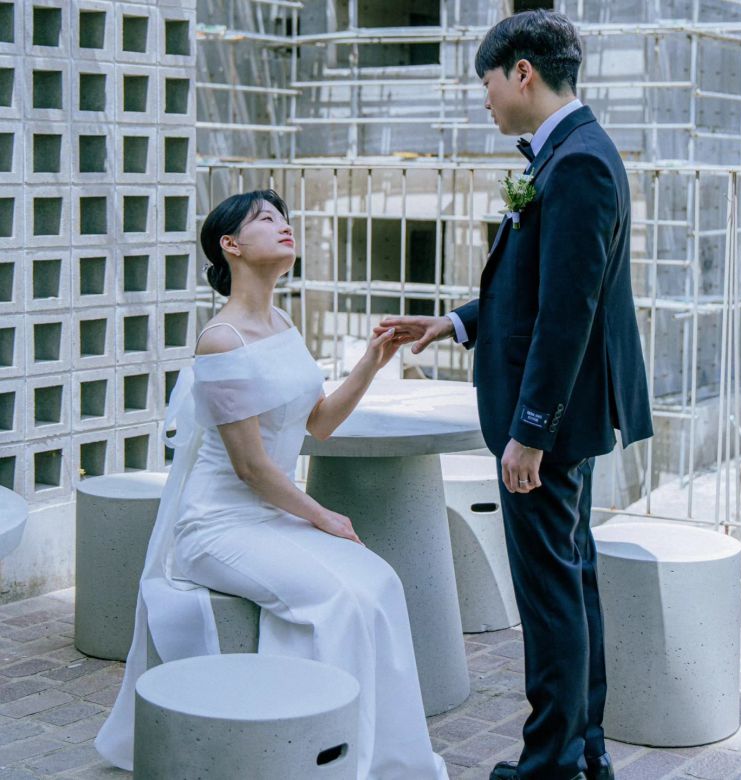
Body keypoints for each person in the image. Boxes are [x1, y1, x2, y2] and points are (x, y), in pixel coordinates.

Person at [377, 10, 653, 780]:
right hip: (564, 416)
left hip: (551, 424)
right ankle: (583, 750)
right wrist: (455, 323)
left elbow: (570, 314)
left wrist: (530, 431)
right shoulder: (568, 152)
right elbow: (538, 289)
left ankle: (551, 763)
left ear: (521, 72)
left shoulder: (578, 164)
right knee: (569, 579)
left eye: (488, 84)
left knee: (550, 595)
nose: (486, 101)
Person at [95, 189, 448, 780]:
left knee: (380, 582)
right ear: (230, 245)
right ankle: (319, 761)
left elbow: (319, 423)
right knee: (336, 599)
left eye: (285, 217)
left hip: (270, 516)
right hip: (217, 526)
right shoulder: (221, 340)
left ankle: (387, 758)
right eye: (265, 219)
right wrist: (324, 517)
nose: (285, 226)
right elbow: (251, 469)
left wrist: (369, 362)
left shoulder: (282, 321)